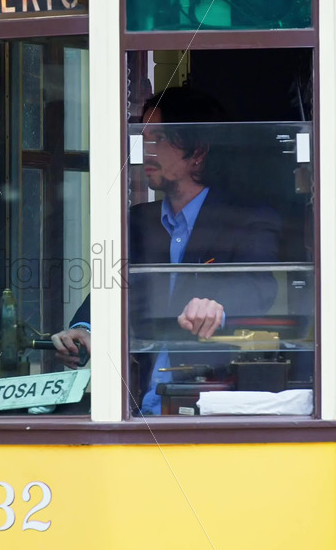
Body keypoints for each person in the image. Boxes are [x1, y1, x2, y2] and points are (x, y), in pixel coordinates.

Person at [52, 85, 281, 413]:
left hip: (209, 408)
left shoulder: (249, 219)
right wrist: (83, 329)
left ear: (197, 152)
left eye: (157, 139)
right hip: (132, 408)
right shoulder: (136, 221)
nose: (144, 149)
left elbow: (260, 286)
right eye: (142, 137)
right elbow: (113, 287)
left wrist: (218, 304)